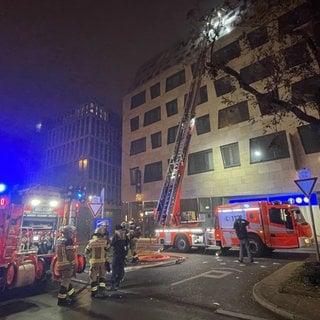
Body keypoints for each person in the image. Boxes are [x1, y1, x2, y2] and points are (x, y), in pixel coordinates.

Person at [55, 225, 77, 306]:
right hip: (67, 264)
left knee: (66, 281)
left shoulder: (59, 240)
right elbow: (70, 254)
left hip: (60, 264)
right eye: (71, 232)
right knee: (65, 282)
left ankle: (72, 296)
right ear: (69, 232)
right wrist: (74, 263)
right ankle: (61, 300)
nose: (72, 234)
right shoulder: (68, 240)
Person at [85, 227, 110, 298]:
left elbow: (86, 251)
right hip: (102, 262)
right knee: (102, 277)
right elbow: (108, 250)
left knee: (93, 278)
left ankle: (94, 292)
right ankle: (102, 291)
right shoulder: (104, 242)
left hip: (94, 262)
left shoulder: (91, 242)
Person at [109, 223, 129, 290]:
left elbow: (112, 244)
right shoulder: (124, 235)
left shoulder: (116, 235)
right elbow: (127, 244)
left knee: (114, 269)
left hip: (116, 254)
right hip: (122, 255)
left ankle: (112, 285)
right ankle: (118, 282)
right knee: (121, 268)